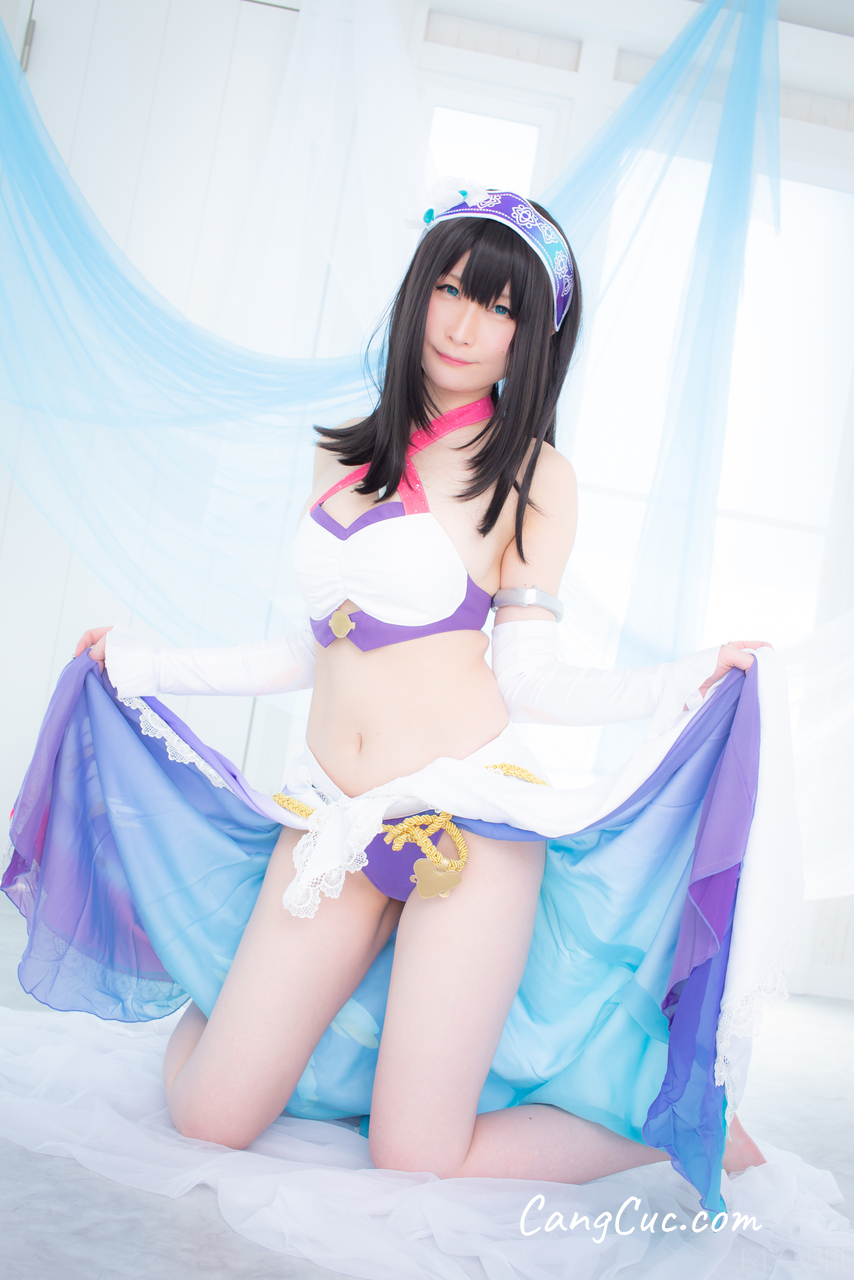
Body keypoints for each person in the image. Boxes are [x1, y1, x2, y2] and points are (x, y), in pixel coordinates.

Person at [24, 191, 765, 1199]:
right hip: (329, 814)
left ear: (531, 338)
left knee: (416, 1153)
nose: (463, 324)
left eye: (499, 308)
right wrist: (146, 665)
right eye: (451, 290)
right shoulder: (342, 452)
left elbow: (528, 678)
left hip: (464, 821)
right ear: (420, 293)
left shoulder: (533, 474)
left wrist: (684, 676)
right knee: (207, 1115)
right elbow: (310, 649)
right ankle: (243, 1000)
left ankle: (683, 1129)